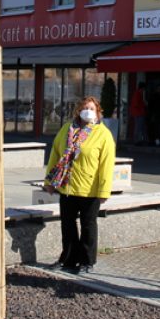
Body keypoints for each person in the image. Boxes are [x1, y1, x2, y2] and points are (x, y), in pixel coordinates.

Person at [43, 96, 116, 274]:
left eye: (92, 108)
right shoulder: (67, 129)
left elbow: (107, 165)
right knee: (67, 225)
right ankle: (68, 259)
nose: (88, 111)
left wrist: (104, 190)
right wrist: (49, 181)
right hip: (67, 186)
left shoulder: (103, 134)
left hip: (90, 189)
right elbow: (56, 154)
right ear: (78, 110)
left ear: (98, 112)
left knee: (88, 226)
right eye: (84, 107)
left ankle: (87, 261)